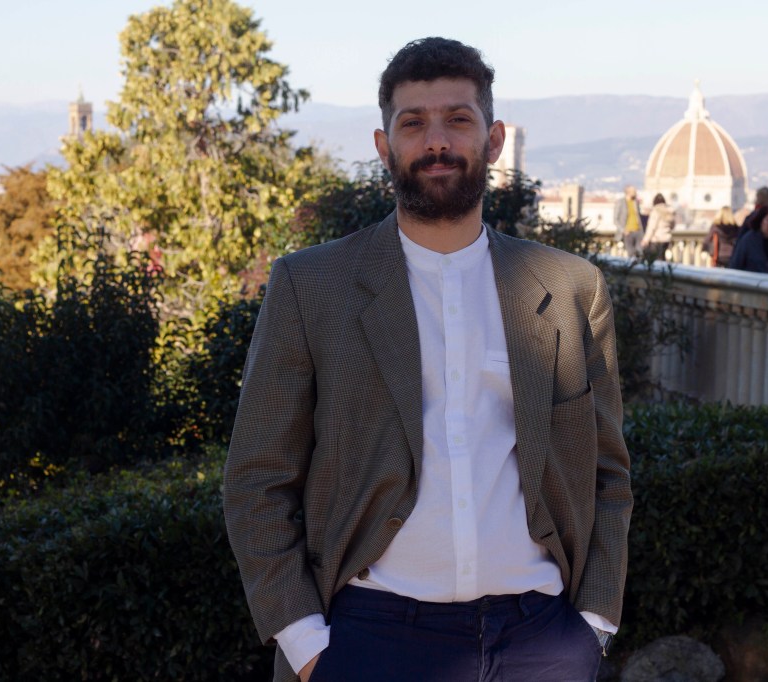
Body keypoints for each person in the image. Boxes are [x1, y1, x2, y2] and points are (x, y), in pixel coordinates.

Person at [223, 37, 632, 682]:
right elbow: (257, 477)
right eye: (413, 123)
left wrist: (594, 625)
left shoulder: (570, 289)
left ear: (493, 140)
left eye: (457, 120)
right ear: (384, 146)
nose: (436, 141)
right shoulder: (312, 286)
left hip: (542, 640)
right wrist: (306, 647)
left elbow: (608, 471)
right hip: (369, 639)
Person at [640, 193, 674, 259]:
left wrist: (646, 239)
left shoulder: (656, 211)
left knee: (656, 259)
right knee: (663, 258)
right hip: (666, 238)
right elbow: (672, 225)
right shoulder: (669, 211)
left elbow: (651, 227)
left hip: (657, 239)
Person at [613, 185, 644, 257]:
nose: (636, 192)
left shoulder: (635, 202)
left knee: (640, 253)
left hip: (638, 231)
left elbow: (638, 216)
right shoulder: (620, 202)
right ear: (628, 192)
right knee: (631, 253)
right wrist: (623, 230)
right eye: (634, 191)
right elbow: (615, 219)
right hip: (627, 232)